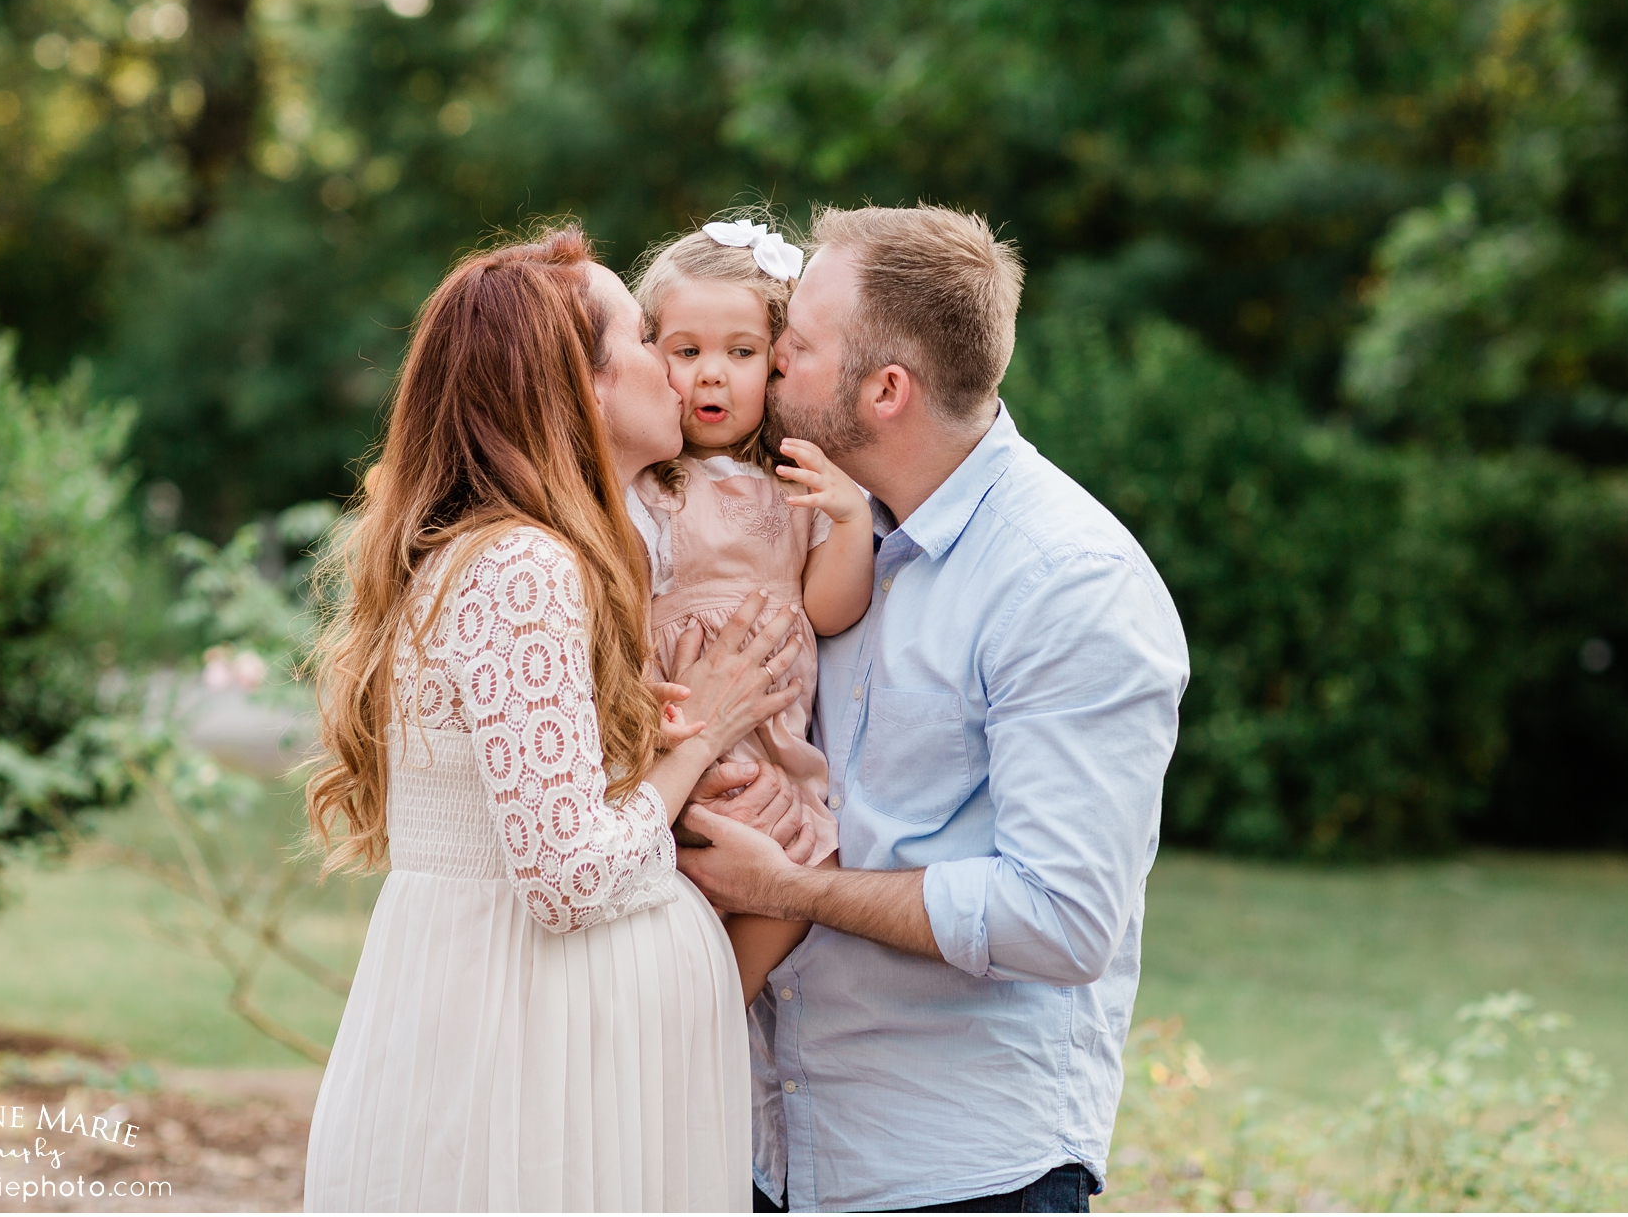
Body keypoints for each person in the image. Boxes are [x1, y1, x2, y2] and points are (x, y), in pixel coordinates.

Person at [676, 205, 1192, 1213]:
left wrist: (796, 890)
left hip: (956, 1174)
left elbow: (1061, 916)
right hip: (757, 1156)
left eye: (797, 347)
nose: (767, 362)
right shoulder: (816, 529)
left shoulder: (1065, 585)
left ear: (885, 390)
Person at [300, 227, 811, 1212]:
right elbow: (567, 872)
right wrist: (701, 734)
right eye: (641, 340)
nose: (673, 371)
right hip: (537, 1059)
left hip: (549, 1037)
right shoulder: (521, 567)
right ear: (576, 389)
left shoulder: (521, 559)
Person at [630, 212, 877, 867]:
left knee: (805, 867)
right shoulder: (646, 487)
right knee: (695, 866)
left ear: (775, 362)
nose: (713, 373)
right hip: (681, 719)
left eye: (740, 352)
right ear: (650, 356)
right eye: (688, 353)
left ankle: (730, 979)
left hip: (775, 729)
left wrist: (851, 521)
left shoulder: (797, 481)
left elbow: (829, 609)